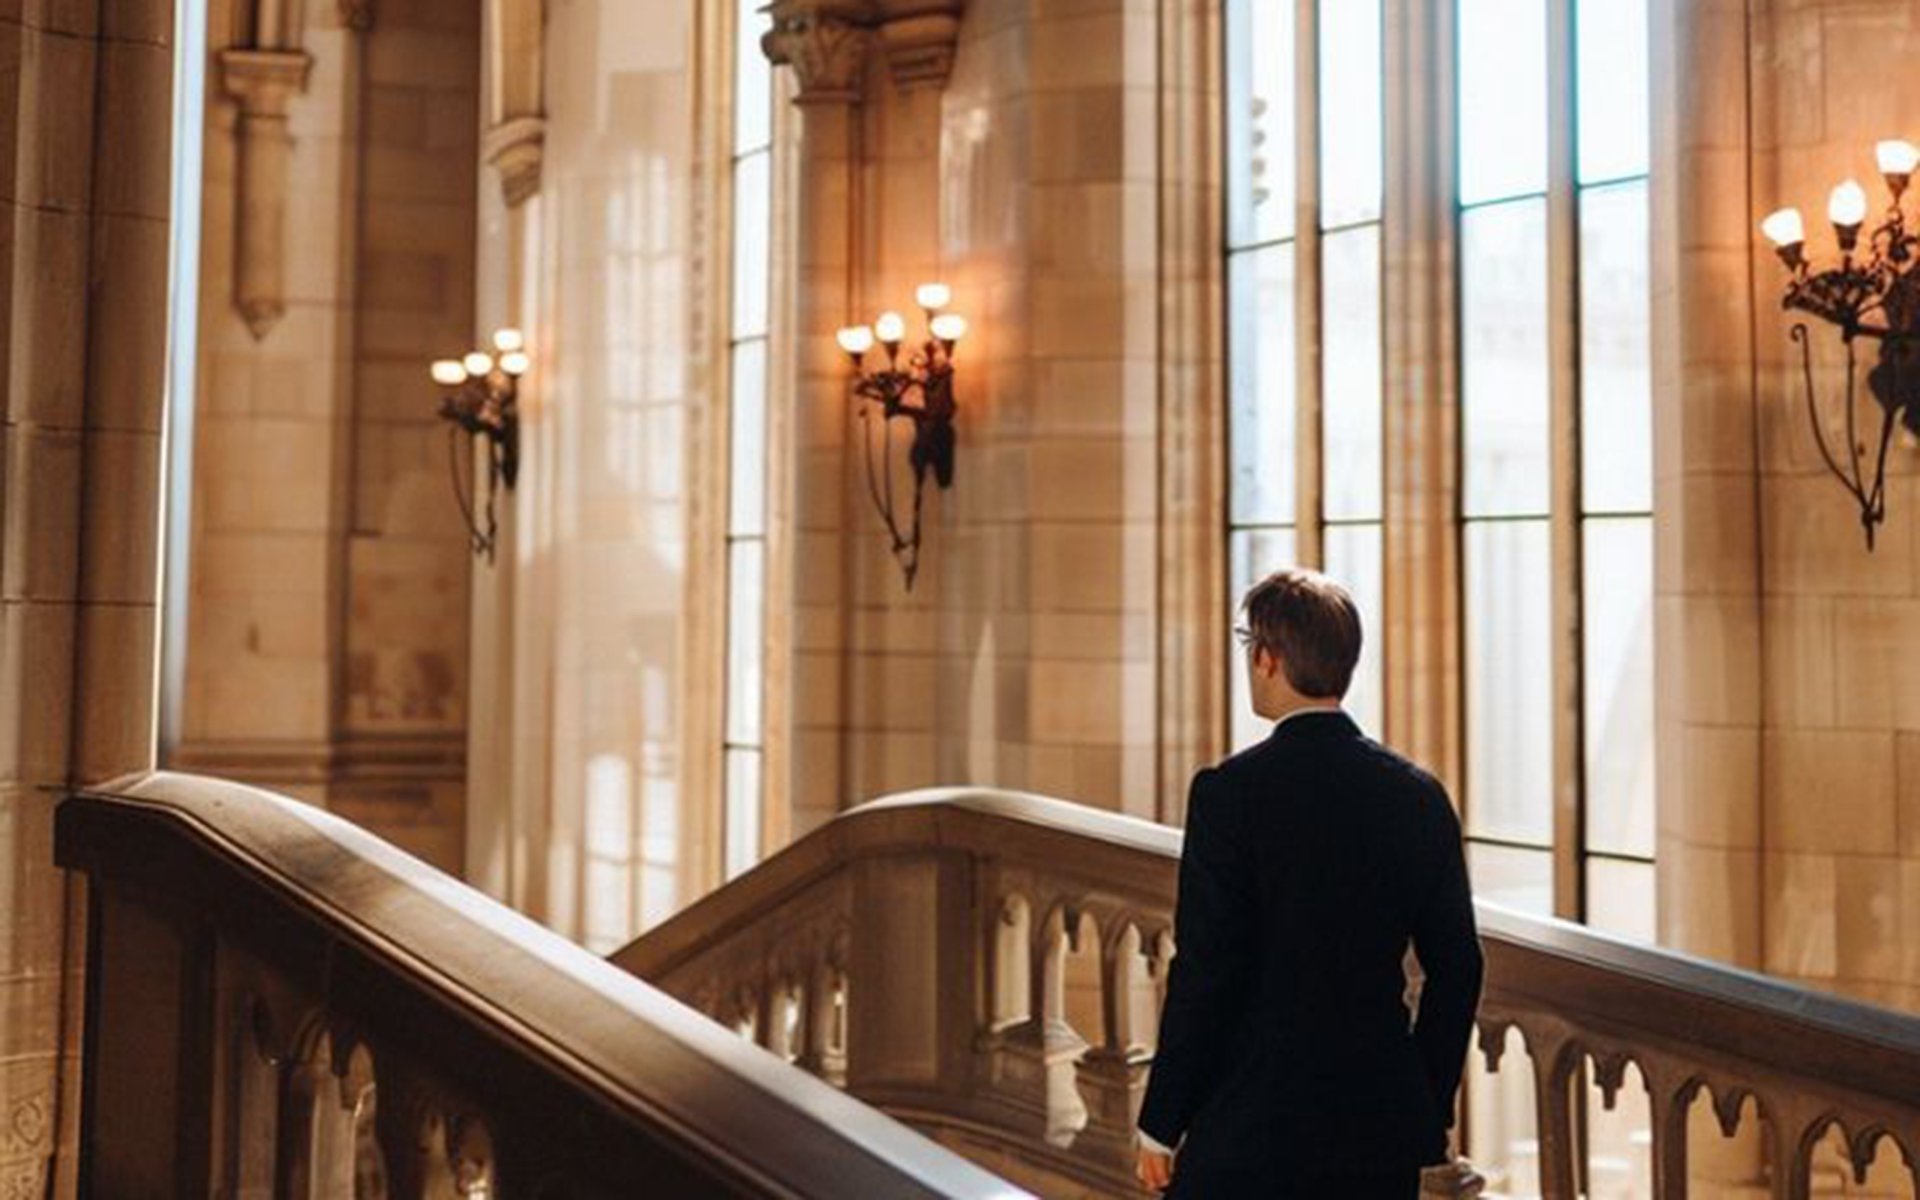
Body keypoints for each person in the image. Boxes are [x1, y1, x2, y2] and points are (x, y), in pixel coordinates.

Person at [1135, 569, 1484, 1198]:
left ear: (1267, 658)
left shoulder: (1229, 794)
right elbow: (1458, 966)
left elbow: (1207, 972)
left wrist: (1162, 1119)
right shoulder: (1418, 796)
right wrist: (1422, 1102)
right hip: (1374, 1131)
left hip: (1249, 1128)